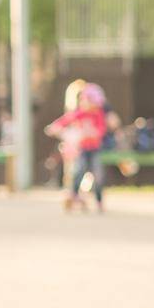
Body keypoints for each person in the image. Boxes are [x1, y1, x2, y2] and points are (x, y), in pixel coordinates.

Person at [45, 83, 108, 213]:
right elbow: (65, 121)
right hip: (82, 149)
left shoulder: (98, 114)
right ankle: (74, 196)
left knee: (98, 175)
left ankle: (99, 200)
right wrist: (54, 127)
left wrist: (94, 132)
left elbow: (101, 130)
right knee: (79, 172)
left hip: (95, 149)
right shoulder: (80, 114)